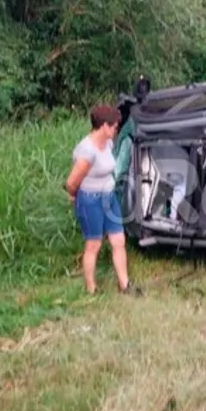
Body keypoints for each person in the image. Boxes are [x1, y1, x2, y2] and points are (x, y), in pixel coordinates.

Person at [65, 105, 135, 295]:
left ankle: (125, 284)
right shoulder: (87, 151)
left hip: (109, 197)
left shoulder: (109, 143)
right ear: (104, 126)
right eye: (114, 127)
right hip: (91, 200)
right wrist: (73, 196)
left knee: (118, 240)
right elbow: (71, 182)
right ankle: (91, 289)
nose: (116, 130)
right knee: (93, 244)